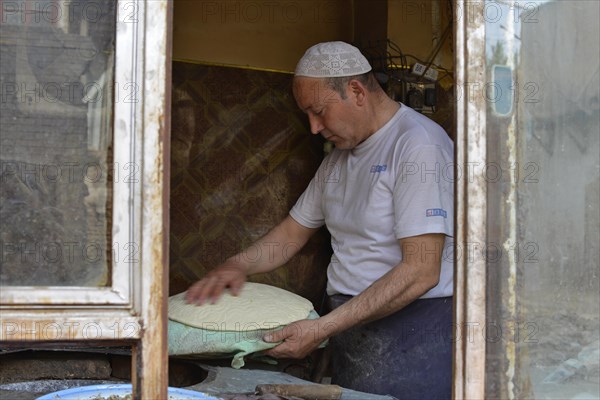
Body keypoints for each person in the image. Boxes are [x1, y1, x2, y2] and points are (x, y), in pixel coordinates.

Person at [186, 41, 454, 399]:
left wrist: (321, 329)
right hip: (354, 327)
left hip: (414, 333)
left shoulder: (418, 146)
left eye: (319, 112)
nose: (313, 128)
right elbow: (292, 233)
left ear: (356, 91)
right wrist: (236, 265)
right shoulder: (338, 160)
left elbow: (421, 271)